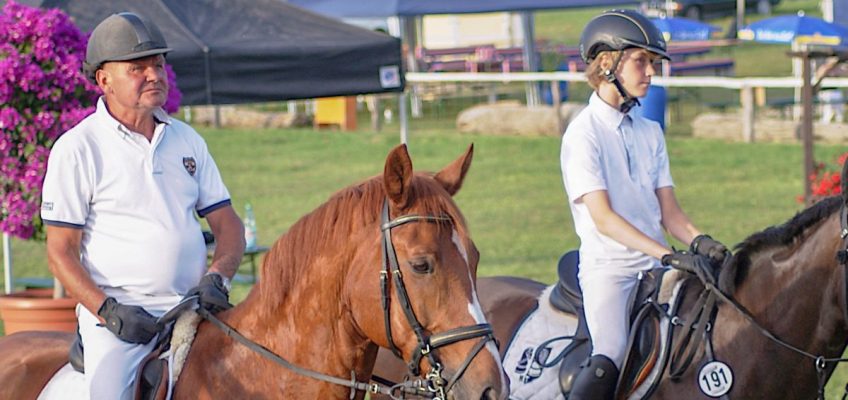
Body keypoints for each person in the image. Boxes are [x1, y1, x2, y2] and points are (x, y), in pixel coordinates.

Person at [40, 12, 245, 399]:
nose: (154, 74)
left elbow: (228, 224)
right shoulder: (77, 148)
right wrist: (108, 311)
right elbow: (60, 253)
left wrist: (219, 276)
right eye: (138, 67)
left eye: (158, 63)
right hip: (119, 321)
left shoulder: (187, 140)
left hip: (193, 310)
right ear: (104, 80)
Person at [559, 9, 727, 400]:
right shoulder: (583, 135)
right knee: (610, 354)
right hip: (610, 272)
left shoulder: (650, 132)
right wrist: (668, 255)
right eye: (641, 61)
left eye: (652, 63)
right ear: (607, 65)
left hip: (657, 266)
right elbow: (604, 219)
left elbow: (669, 212)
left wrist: (704, 243)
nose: (650, 72)